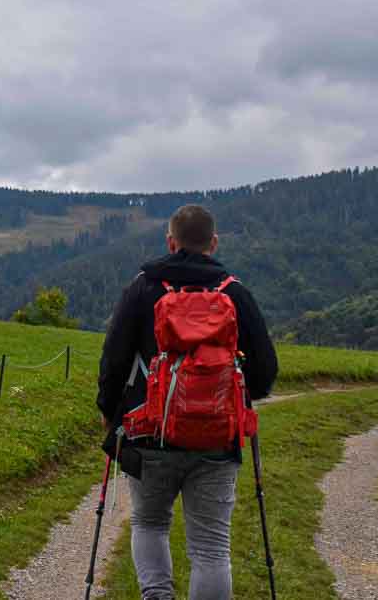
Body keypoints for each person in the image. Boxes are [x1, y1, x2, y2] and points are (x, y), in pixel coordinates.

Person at [97, 204, 277, 600]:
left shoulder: (143, 288)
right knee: (211, 547)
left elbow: (113, 362)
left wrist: (110, 416)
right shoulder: (234, 292)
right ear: (213, 243)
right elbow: (265, 372)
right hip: (216, 439)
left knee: (149, 524)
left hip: (150, 433)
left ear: (170, 241)